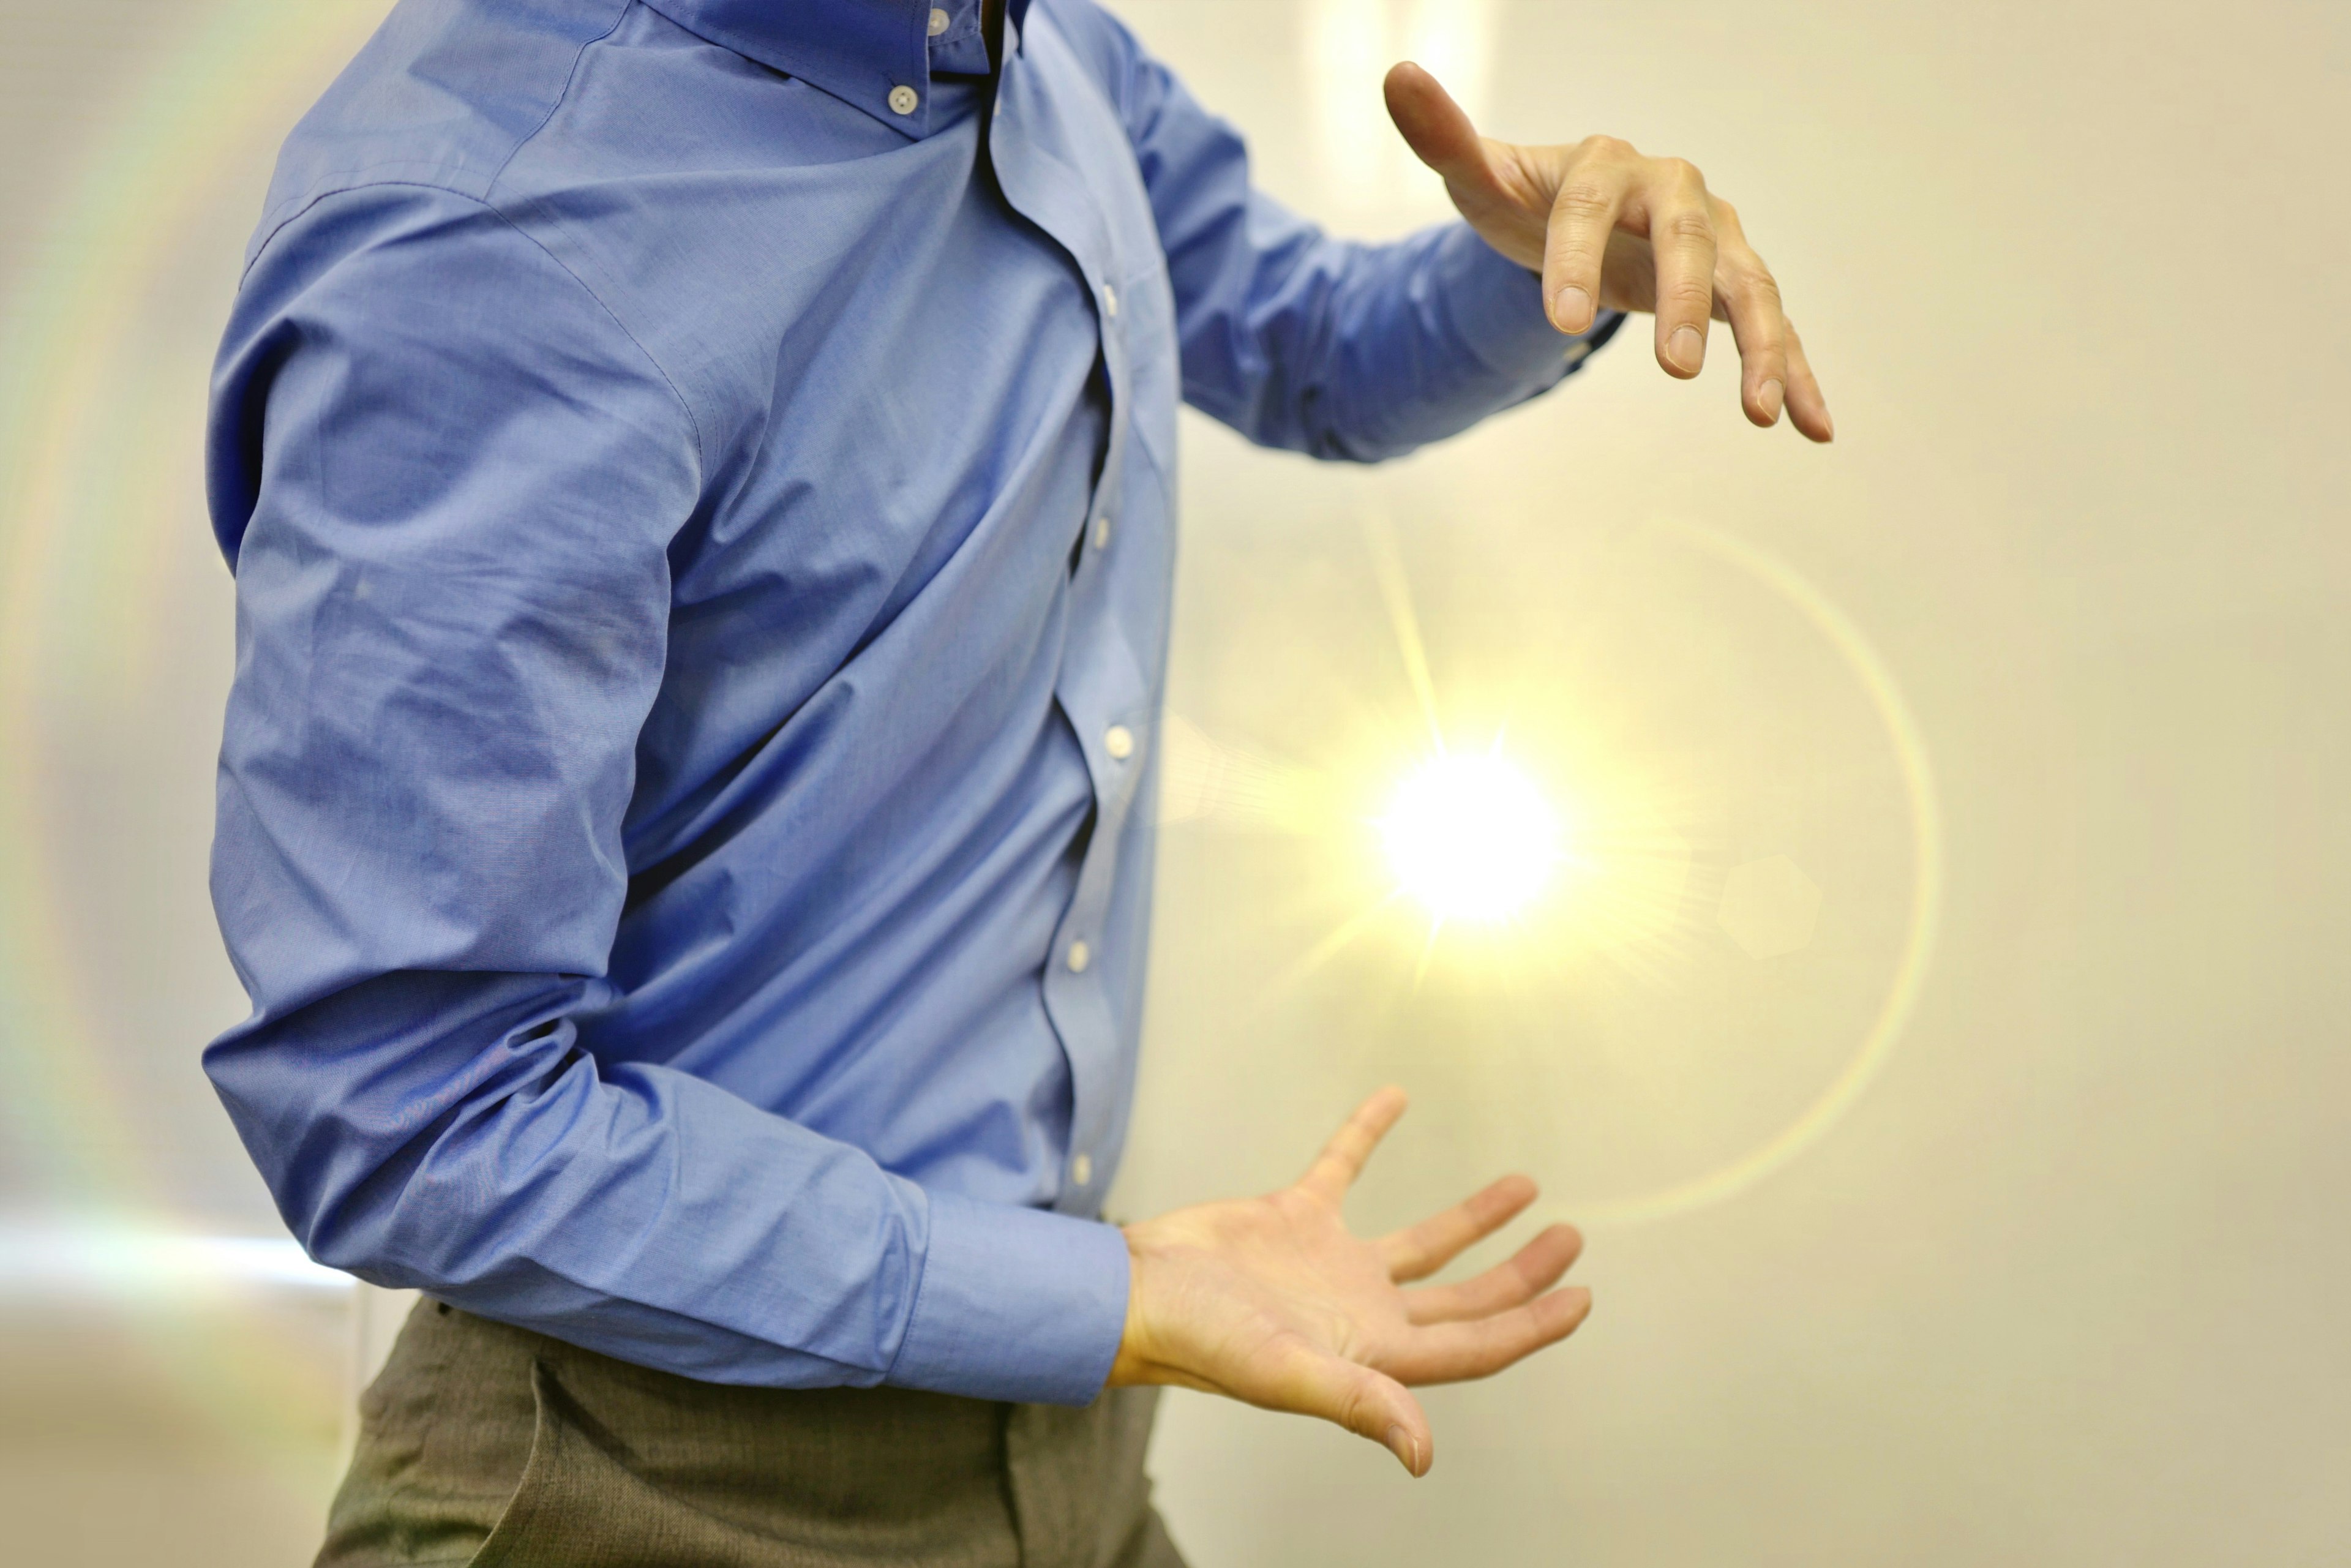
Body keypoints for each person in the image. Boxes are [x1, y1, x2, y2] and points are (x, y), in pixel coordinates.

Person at [203, 1, 1831, 1562]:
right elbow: (417, 1113)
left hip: (1067, 1457)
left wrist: (1546, 265)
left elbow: (1313, 346)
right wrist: (1100, 1301)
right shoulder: (485, 247)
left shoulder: (1040, 54)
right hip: (636, 1494)